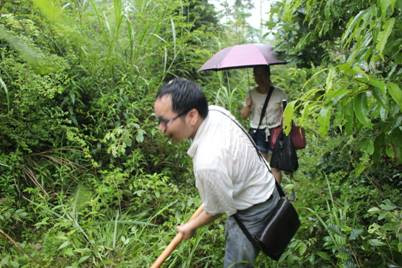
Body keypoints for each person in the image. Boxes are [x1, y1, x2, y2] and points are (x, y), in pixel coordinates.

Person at [153, 77, 280, 267]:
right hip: (266, 186)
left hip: (253, 210)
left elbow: (217, 208)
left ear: (192, 116)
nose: (160, 129)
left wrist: (191, 226)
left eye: (165, 121)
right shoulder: (216, 112)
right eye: (158, 120)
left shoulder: (208, 162)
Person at [240, 65, 287, 183]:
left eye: (262, 75)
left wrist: (285, 132)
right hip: (257, 132)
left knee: (275, 166)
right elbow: (244, 115)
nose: (260, 78)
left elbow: (286, 115)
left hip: (275, 131)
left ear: (268, 75)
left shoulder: (279, 94)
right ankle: (266, 194)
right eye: (257, 75)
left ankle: (277, 194)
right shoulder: (251, 93)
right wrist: (248, 106)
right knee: (262, 165)